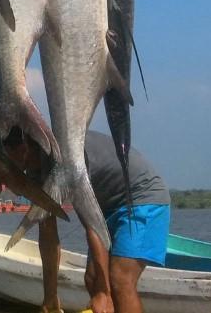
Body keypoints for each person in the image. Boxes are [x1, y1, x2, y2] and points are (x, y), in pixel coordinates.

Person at [40, 131, 171, 313]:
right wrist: (50, 296)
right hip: (106, 206)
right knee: (93, 278)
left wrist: (103, 292)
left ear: (23, 148)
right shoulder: (35, 168)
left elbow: (91, 225)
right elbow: (48, 235)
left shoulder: (66, 159)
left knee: (120, 279)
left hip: (141, 195)